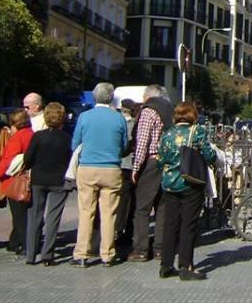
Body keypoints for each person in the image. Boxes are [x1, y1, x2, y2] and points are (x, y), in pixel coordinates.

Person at [157, 101, 217, 281]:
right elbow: (209, 155)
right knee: (188, 225)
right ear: (192, 115)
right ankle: (186, 265)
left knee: (170, 224)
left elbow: (160, 159)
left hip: (169, 183)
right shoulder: (196, 131)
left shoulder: (167, 133)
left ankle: (166, 264)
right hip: (189, 182)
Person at [71, 82, 129, 268]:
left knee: (86, 211)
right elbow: (123, 145)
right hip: (111, 168)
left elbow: (75, 143)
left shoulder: (84, 117)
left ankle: (81, 253)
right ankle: (107, 254)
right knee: (109, 213)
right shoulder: (118, 118)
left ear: (95, 97)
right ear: (111, 98)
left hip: (88, 167)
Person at [128, 85, 174, 262]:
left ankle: (141, 249)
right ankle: (160, 249)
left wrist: (136, 166)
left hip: (152, 162)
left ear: (148, 97)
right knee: (162, 207)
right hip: (168, 162)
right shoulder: (171, 110)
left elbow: (142, 141)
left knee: (143, 208)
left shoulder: (149, 111)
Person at [24, 102, 72, 266]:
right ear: (62, 118)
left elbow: (28, 159)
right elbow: (69, 159)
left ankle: (31, 255)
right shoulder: (66, 138)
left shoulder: (38, 136)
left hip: (38, 180)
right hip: (58, 181)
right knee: (53, 218)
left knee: (34, 217)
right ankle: (47, 255)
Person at [0, 109, 34, 256]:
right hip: (30, 179)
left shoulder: (17, 138)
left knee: (19, 215)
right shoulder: (32, 134)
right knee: (24, 213)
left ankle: (25, 245)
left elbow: (7, 160)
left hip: (16, 182)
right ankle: (14, 242)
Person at [115, 98, 137, 249]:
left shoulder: (120, 122)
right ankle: (126, 230)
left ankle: (118, 229)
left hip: (121, 164)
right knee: (130, 201)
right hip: (132, 165)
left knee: (120, 200)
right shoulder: (135, 123)